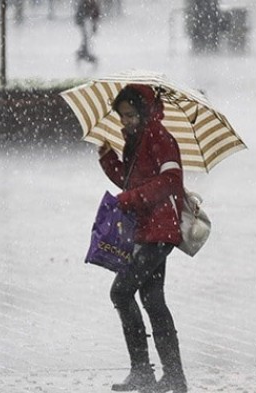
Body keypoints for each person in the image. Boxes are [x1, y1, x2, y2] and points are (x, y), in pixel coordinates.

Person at [97, 84, 188, 393]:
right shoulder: (136, 140)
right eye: (122, 117)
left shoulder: (161, 139)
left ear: (145, 111)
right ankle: (173, 377)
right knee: (152, 300)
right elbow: (131, 180)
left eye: (131, 115)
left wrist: (131, 198)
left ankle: (144, 372)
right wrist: (109, 159)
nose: (126, 122)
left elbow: (170, 181)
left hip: (160, 231)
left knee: (121, 292)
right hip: (146, 229)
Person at [74, 0, 100, 64]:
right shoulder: (86, 4)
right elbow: (82, 13)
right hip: (83, 21)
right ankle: (84, 52)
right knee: (86, 37)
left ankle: (83, 52)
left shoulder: (91, 4)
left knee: (86, 37)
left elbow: (95, 14)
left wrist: (94, 24)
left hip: (85, 21)